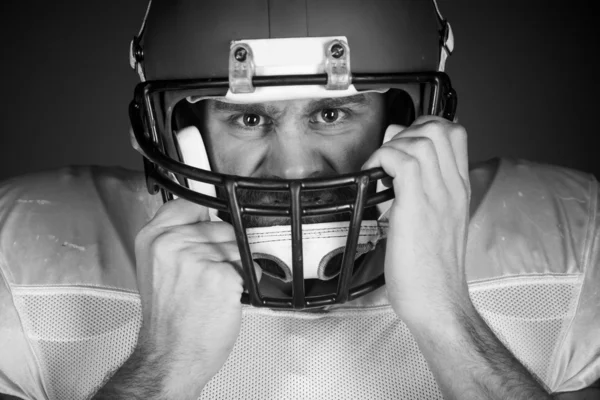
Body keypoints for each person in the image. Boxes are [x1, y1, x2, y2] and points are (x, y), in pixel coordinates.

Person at [0, 0, 598, 399]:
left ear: (406, 122)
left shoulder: (572, 242)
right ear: (180, 133)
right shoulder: (23, 262)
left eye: (332, 113)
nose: (293, 169)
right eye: (249, 117)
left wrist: (452, 321)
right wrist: (159, 370)